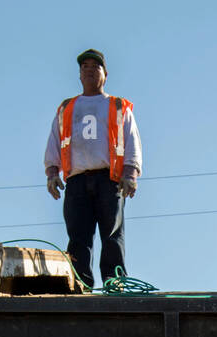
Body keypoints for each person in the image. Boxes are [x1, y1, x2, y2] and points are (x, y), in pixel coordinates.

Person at [44, 49, 142, 289]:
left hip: (110, 181)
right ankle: (80, 283)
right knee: (78, 237)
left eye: (95, 66)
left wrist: (130, 174)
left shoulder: (118, 106)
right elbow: (54, 141)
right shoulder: (67, 108)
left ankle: (115, 281)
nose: (89, 70)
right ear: (79, 75)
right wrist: (52, 173)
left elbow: (132, 140)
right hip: (77, 181)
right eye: (84, 66)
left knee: (112, 234)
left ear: (105, 74)